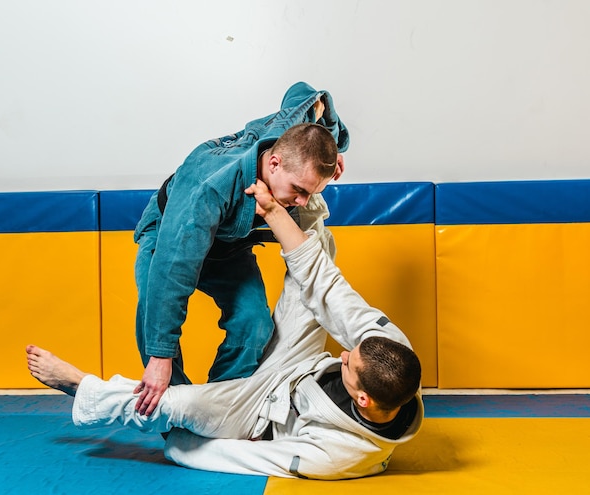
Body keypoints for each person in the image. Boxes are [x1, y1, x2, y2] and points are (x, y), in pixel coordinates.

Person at [26, 180, 423, 480]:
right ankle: (295, 205)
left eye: (349, 364)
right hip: (299, 363)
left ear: (365, 400)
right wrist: (273, 210)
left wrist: (181, 444)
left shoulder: (342, 455)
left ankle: (82, 387)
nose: (343, 352)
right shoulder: (389, 351)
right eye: (353, 350)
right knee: (319, 257)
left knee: (178, 405)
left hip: (260, 414)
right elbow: (328, 287)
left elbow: (245, 459)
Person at [133, 81, 350, 416]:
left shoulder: (289, 137)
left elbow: (307, 93)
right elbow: (173, 272)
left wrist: (330, 143)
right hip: (168, 236)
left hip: (227, 247)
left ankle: (218, 411)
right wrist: (160, 357)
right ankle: (175, 414)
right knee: (157, 334)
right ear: (274, 163)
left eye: (311, 191)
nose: (303, 202)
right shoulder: (210, 186)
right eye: (298, 190)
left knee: (253, 324)